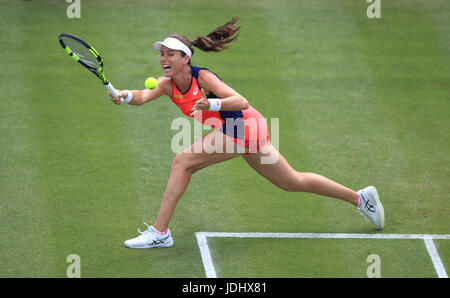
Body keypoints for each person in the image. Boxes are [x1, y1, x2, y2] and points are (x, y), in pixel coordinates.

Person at [108, 16, 385, 249]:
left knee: (182, 162)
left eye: (169, 54)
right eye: (162, 54)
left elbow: (241, 101)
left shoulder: (203, 77)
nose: (163, 58)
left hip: (244, 127)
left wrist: (211, 102)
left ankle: (160, 232)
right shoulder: (167, 84)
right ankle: (361, 199)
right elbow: (144, 95)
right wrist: (123, 95)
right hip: (244, 130)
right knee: (290, 181)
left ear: (185, 58)